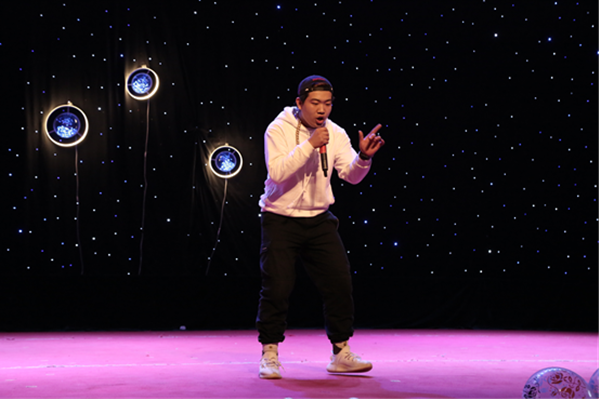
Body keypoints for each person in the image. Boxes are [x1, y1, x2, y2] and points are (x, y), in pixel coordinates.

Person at [256, 75, 385, 379]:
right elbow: (277, 173)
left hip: (318, 219)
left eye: (327, 103)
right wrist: (310, 145)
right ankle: (269, 354)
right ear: (299, 103)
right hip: (280, 218)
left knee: (339, 282)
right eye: (315, 103)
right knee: (277, 287)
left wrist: (363, 158)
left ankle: (341, 353)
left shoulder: (335, 133)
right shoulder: (277, 129)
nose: (322, 109)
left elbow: (350, 176)